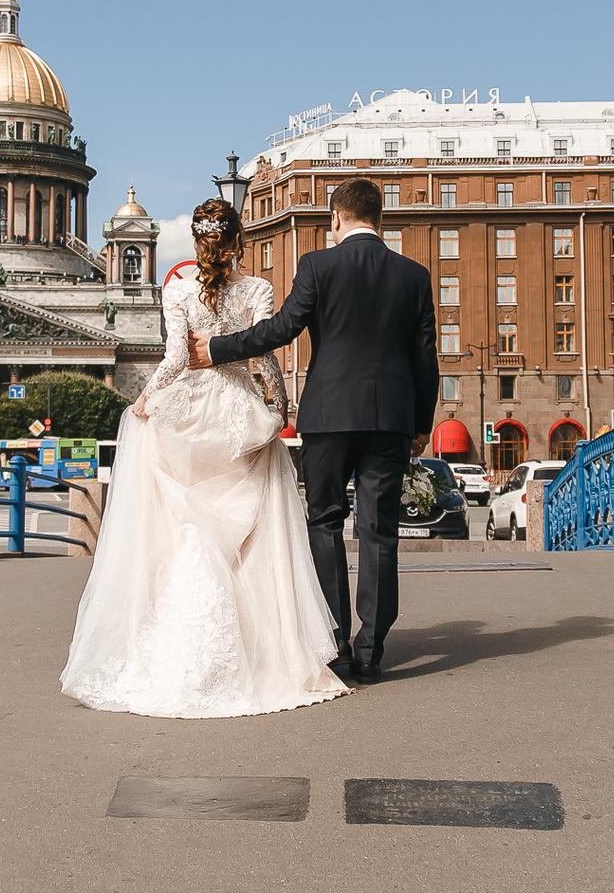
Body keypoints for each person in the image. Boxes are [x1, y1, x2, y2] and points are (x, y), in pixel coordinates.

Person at [59, 199, 348, 718]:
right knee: (255, 540)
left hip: (189, 416)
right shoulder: (256, 289)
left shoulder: (176, 288)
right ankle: (265, 654)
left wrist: (145, 399)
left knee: (186, 530)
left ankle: (179, 649)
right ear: (237, 241)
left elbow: (174, 358)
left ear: (196, 242)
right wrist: (278, 404)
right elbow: (265, 353)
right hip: (238, 416)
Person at [187, 176, 439, 684]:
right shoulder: (413, 275)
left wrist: (215, 349)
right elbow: (426, 361)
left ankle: (336, 646)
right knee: (379, 532)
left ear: (336, 219)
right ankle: (372, 649)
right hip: (390, 419)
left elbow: (280, 329)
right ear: (380, 218)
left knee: (324, 522)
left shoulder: (318, 266)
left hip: (328, 417)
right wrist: (420, 425)